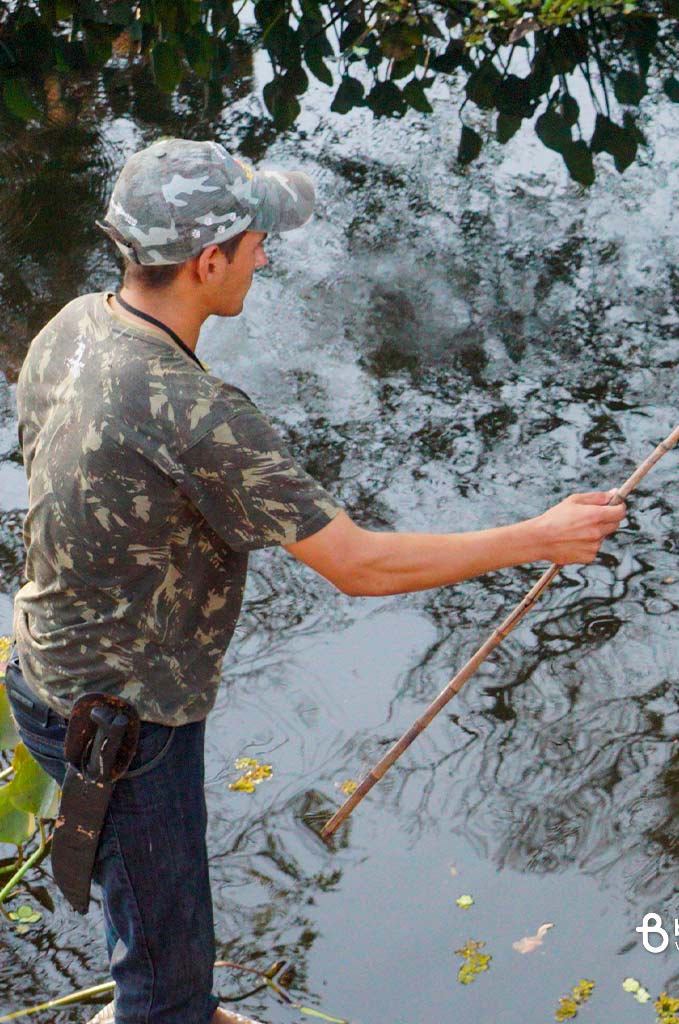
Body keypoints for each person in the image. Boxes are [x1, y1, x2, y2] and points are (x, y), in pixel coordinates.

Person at [3, 138, 626, 1024]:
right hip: (123, 727)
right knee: (167, 979)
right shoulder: (199, 414)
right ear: (208, 261)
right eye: (258, 240)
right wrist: (540, 537)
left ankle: (168, 994)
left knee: (149, 915)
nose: (266, 253)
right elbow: (359, 566)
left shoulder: (73, 326)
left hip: (43, 675)